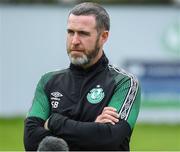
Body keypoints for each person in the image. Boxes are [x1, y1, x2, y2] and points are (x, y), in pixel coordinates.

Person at [24, 2, 141, 151]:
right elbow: (31, 140)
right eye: (70, 32)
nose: (75, 41)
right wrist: (93, 129)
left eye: (83, 33)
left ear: (103, 37)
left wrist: (54, 121)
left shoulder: (123, 82)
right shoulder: (48, 81)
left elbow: (109, 139)